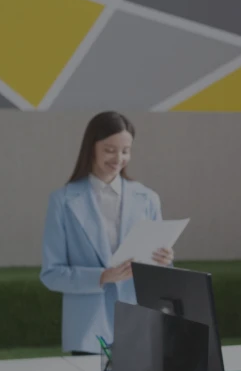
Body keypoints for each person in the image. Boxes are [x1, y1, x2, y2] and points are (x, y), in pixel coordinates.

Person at [39, 111, 174, 356]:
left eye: (126, 150)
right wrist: (102, 277)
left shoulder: (148, 199)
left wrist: (164, 262)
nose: (119, 158)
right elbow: (51, 274)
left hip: (139, 323)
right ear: (91, 148)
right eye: (110, 150)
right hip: (87, 331)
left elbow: (159, 275)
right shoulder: (63, 201)